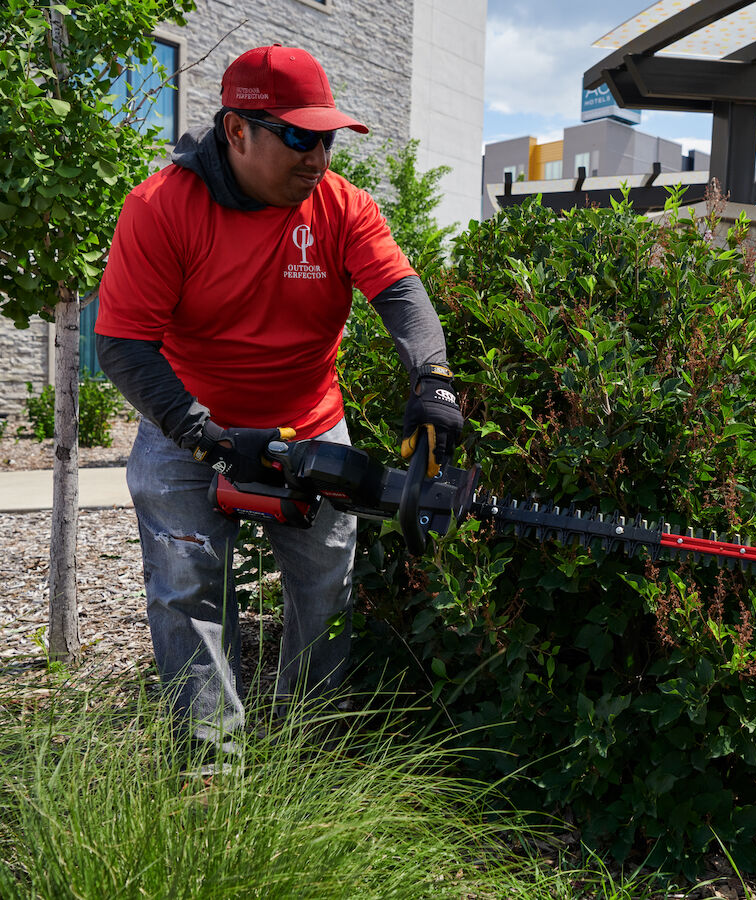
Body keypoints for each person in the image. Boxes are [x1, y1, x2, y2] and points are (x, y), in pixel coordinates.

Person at [95, 44, 463, 762]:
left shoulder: (342, 206)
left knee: (325, 589)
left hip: (310, 425)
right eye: (299, 137)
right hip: (186, 427)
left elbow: (400, 293)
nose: (318, 157)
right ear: (237, 130)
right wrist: (203, 435)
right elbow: (123, 345)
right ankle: (211, 762)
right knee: (188, 592)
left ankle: (310, 750)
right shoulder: (161, 208)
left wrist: (434, 380)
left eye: (328, 139)